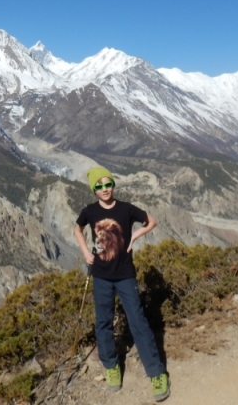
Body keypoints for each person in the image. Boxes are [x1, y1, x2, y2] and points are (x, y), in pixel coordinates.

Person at [74, 166, 169, 401]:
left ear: (113, 185)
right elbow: (78, 228)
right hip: (101, 275)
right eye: (99, 186)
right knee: (103, 322)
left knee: (137, 321)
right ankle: (111, 367)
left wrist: (135, 236)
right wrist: (86, 251)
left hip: (125, 275)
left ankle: (157, 373)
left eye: (108, 184)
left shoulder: (126, 210)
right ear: (94, 189)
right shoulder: (89, 211)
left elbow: (152, 221)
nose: (105, 189)